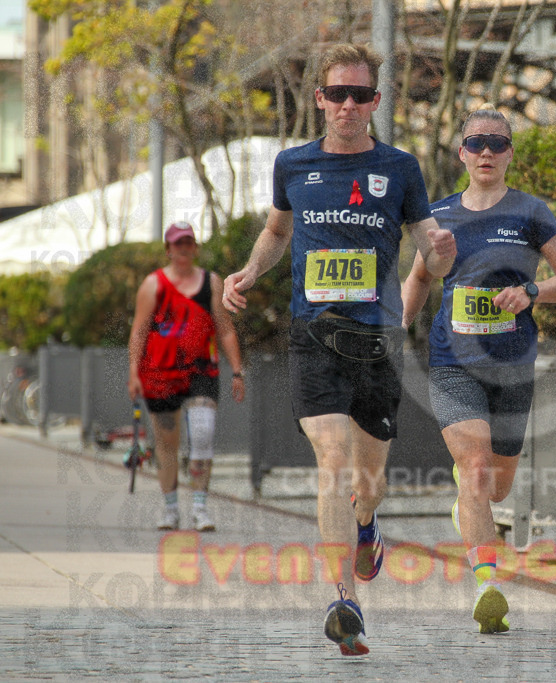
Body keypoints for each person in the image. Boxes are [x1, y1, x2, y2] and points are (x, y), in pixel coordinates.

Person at [221, 43, 456, 657]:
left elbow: (427, 243)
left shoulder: (400, 169)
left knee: (368, 480)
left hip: (376, 341)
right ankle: (343, 600)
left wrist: (440, 253)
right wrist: (248, 273)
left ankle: (368, 524)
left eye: (360, 95)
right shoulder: (293, 165)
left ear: (375, 102)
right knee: (332, 460)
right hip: (314, 337)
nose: (348, 105)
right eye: (337, 94)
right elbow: (277, 231)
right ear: (320, 100)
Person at [401, 105, 556, 634]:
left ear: (509, 154)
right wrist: (397, 329)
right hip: (453, 362)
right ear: (461, 152)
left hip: (511, 369)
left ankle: (470, 494)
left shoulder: (530, 212)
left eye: (497, 144)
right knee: (478, 469)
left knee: (497, 487)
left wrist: (531, 292)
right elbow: (418, 279)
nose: (486, 152)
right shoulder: (438, 217)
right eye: (476, 143)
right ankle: (487, 584)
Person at [128, 221, 246, 533]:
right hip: (160, 374)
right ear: (168, 250)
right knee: (167, 443)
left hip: (202, 371)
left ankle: (199, 508)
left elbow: (225, 328)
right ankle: (170, 509)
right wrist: (133, 374)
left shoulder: (212, 282)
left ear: (195, 248)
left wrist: (237, 370)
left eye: (188, 243)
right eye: (177, 244)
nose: (183, 249)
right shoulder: (152, 285)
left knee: (204, 436)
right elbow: (139, 332)